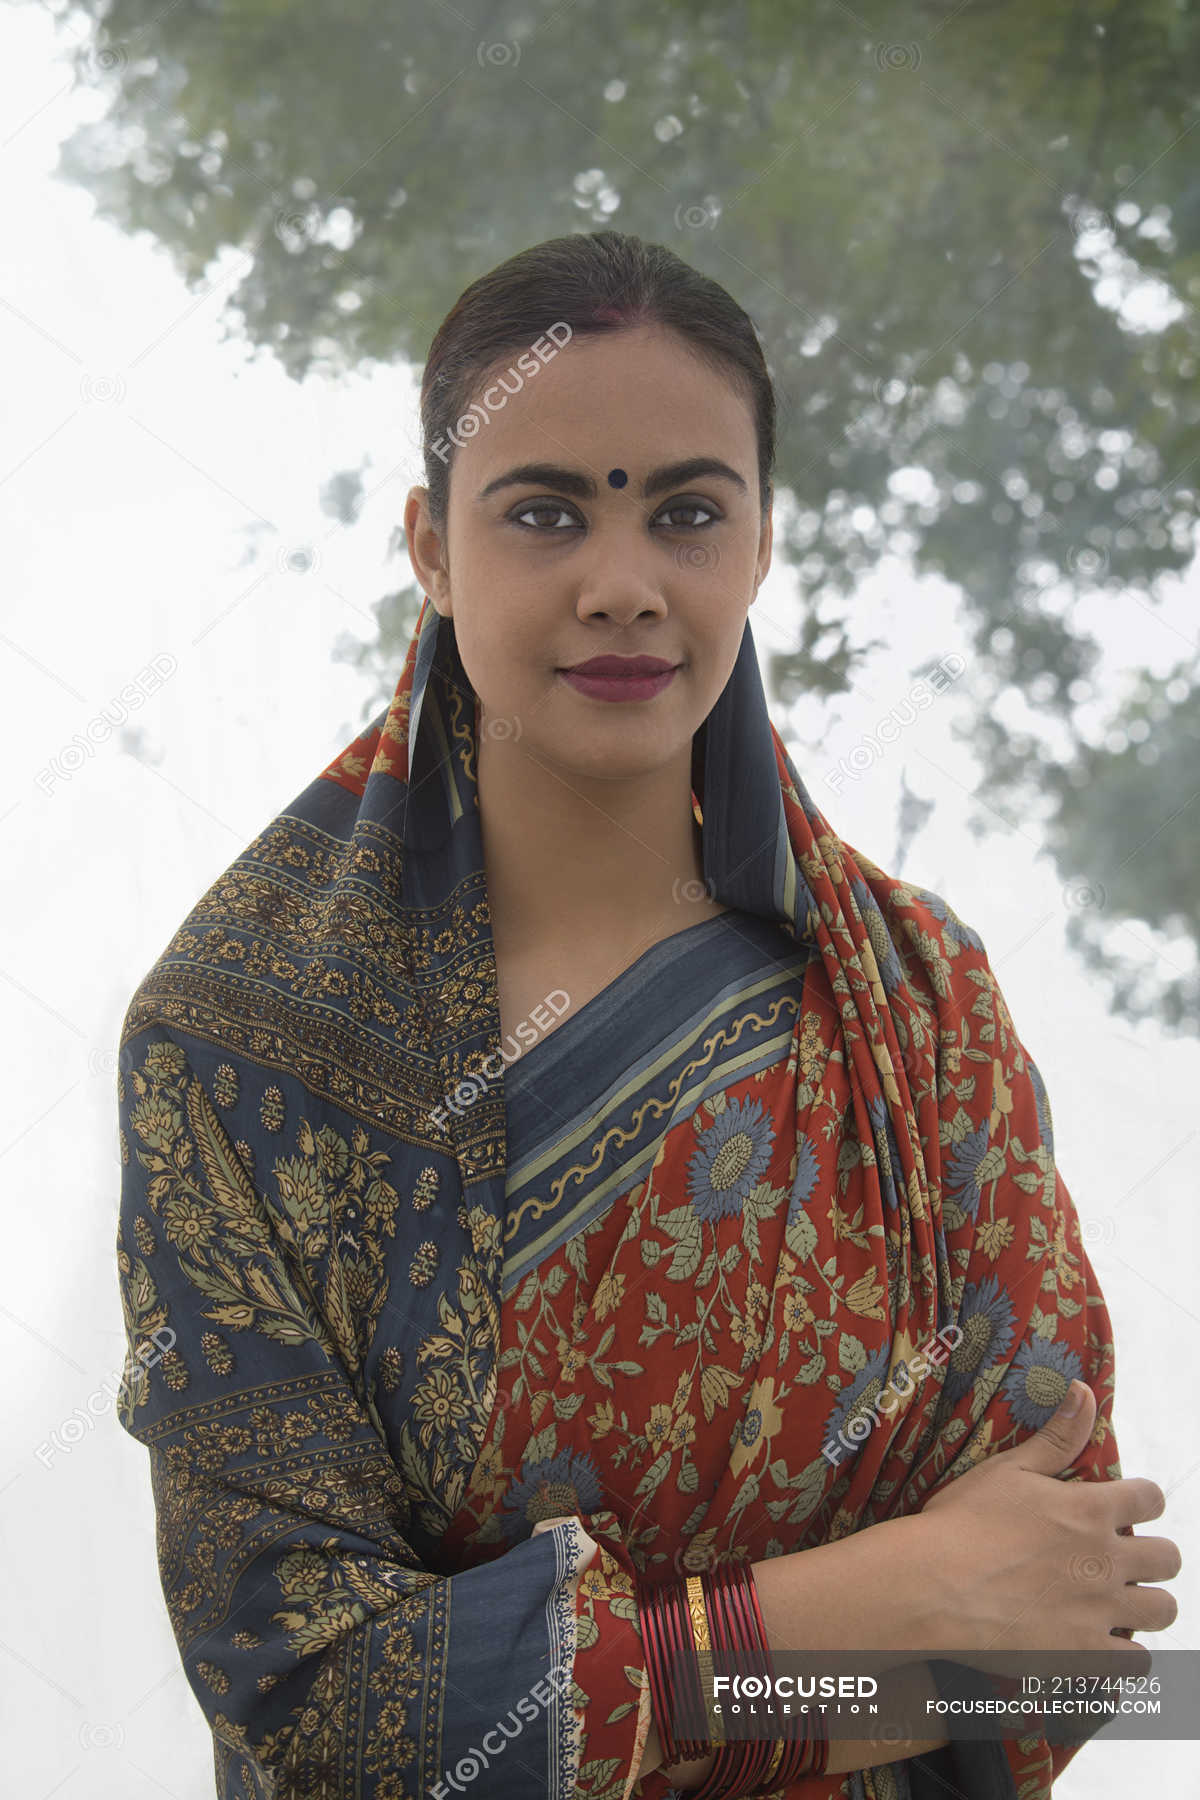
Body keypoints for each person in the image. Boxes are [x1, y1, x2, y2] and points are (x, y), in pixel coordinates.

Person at [114, 230, 1180, 1800]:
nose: (623, 586)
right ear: (427, 544)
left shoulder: (920, 1004)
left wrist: (586, 1691)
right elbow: (317, 1699)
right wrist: (783, 1631)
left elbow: (1063, 1623)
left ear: (760, 545)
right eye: (545, 513)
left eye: (687, 512)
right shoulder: (235, 1045)